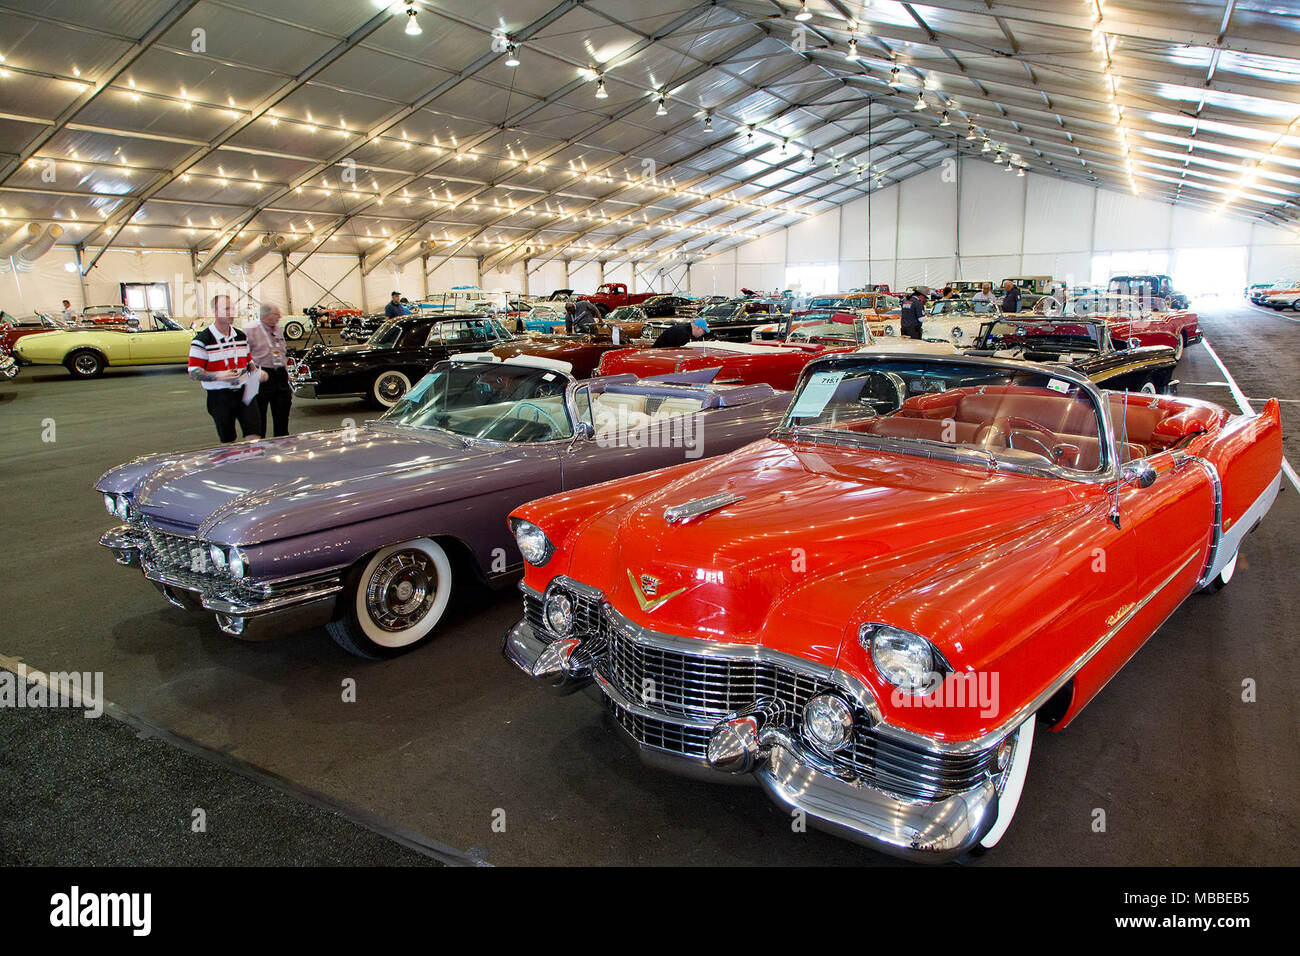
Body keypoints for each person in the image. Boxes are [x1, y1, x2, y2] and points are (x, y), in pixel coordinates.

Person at [189, 295, 266, 443]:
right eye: (227, 309)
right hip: (219, 396)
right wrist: (220, 376)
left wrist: (256, 372)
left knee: (254, 434)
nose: (232, 312)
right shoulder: (202, 340)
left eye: (233, 308)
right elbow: (194, 373)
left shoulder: (241, 336)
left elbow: (248, 362)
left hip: (245, 391)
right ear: (215, 311)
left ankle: (253, 463)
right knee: (228, 440)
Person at [245, 302, 292, 437]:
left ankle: (282, 443)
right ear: (267, 316)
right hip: (261, 375)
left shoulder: (278, 329)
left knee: (282, 413)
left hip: (280, 374)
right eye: (277, 314)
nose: (279, 317)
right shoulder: (250, 330)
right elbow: (244, 355)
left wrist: (286, 373)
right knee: (259, 416)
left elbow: (281, 352)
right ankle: (261, 447)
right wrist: (254, 372)